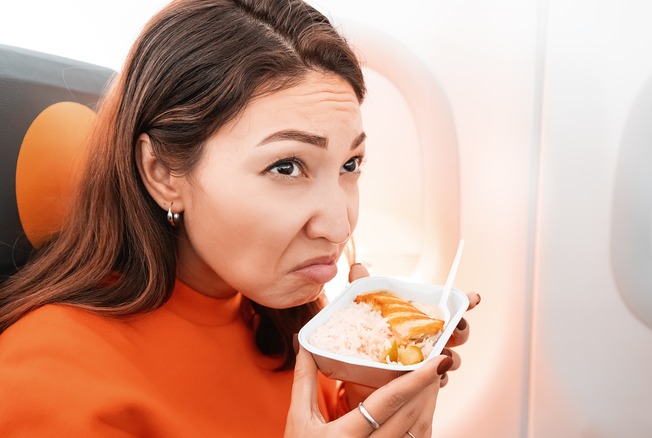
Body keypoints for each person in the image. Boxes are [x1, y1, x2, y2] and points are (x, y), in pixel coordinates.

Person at [0, 0, 480, 436]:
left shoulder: (290, 331)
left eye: (349, 165)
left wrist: (371, 385)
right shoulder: (45, 381)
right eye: (286, 167)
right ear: (163, 172)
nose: (338, 226)